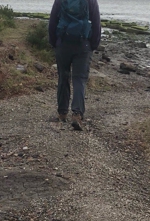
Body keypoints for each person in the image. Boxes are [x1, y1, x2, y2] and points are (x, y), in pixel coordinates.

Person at [48, 0, 101, 131]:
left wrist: (55, 43)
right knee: (79, 79)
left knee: (63, 77)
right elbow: (96, 23)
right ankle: (77, 114)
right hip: (83, 44)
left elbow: (52, 22)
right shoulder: (91, 1)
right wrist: (92, 45)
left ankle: (62, 113)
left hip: (63, 43)